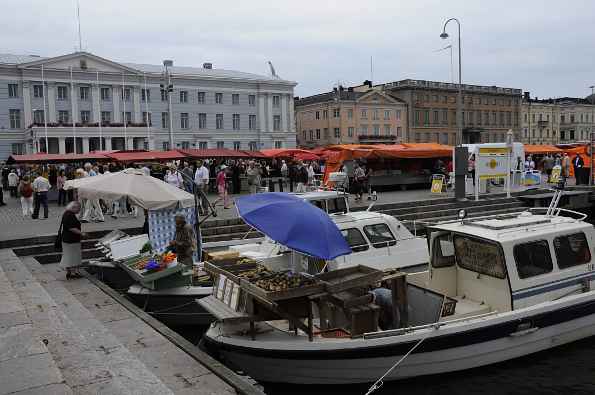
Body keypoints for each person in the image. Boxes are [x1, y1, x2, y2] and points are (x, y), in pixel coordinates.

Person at [59, 201, 86, 279]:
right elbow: (71, 228)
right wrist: (81, 233)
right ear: (74, 207)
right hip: (71, 240)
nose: (79, 210)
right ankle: (73, 273)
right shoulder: (70, 215)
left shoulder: (66, 213)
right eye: (79, 208)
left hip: (66, 239)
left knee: (68, 256)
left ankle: (69, 272)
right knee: (73, 256)